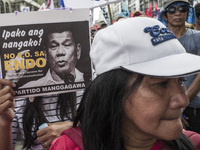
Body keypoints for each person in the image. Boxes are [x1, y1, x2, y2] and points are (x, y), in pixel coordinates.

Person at [50, 17, 200, 150]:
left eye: (181, 81)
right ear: (113, 92)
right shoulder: (68, 146)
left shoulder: (194, 143)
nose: (183, 100)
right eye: (161, 84)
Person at [158, 0, 200, 134]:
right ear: (165, 15)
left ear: (188, 13)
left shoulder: (198, 37)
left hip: (194, 106)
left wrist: (182, 104)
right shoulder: (158, 40)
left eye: (182, 9)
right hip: (166, 106)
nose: (178, 13)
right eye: (172, 10)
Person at [6, 24, 85, 88]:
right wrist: (9, 84)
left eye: (67, 45)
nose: (60, 52)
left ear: (78, 51)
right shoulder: (30, 88)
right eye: (54, 46)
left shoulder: (89, 81)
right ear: (45, 53)